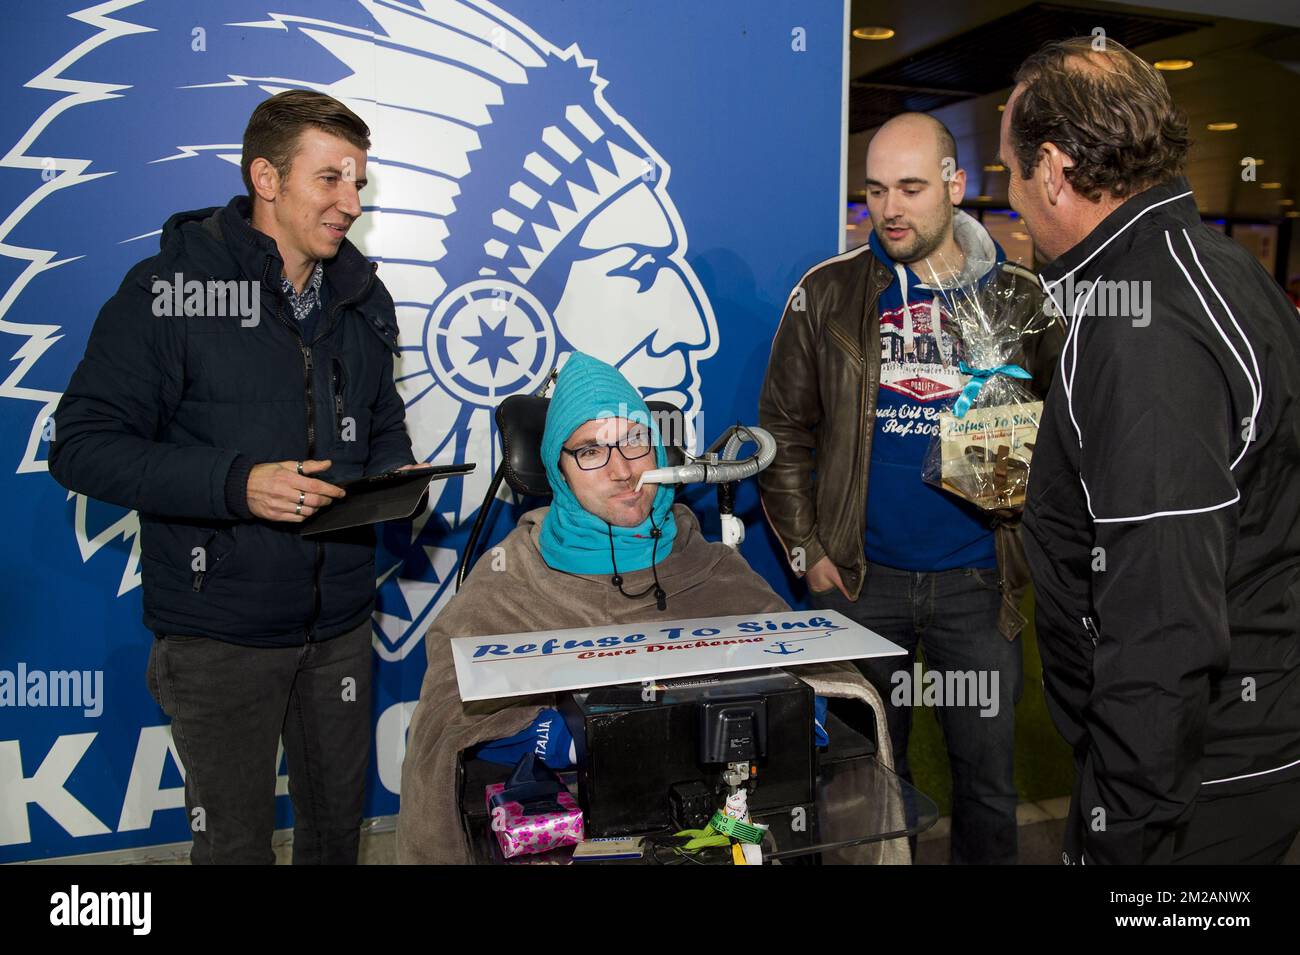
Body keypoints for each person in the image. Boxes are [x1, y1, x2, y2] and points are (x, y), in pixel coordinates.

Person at [48, 90, 419, 864]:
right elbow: (80, 446)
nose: (351, 202)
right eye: (331, 180)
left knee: (335, 841)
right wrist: (236, 483)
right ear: (267, 178)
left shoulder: (360, 296)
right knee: (235, 848)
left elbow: (382, 431)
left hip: (341, 626)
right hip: (220, 635)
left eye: (358, 183)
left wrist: (396, 478)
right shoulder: (167, 292)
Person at [396, 352, 903, 864]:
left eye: (634, 440)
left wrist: (793, 711)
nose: (621, 470)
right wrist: (558, 735)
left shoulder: (708, 564)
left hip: (715, 832)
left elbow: (826, 679)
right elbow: (446, 721)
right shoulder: (513, 576)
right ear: (558, 468)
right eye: (591, 450)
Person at [1004, 37, 1300, 864]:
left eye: (1013, 173)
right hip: (1213, 761)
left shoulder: (1143, 325)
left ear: (1055, 170)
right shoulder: (1207, 268)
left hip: (1188, 788)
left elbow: (1164, 621)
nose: (1013, 197)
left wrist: (1118, 827)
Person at [758, 112, 1062, 864]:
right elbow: (782, 431)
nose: (890, 208)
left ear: (956, 187)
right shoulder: (826, 292)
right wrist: (806, 550)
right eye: (876, 189)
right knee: (861, 785)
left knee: (987, 784)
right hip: (861, 582)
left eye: (912, 187)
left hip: (978, 582)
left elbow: (1068, 433)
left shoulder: (1023, 298)